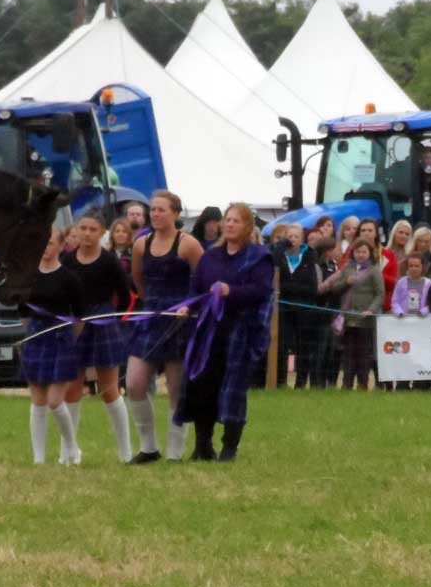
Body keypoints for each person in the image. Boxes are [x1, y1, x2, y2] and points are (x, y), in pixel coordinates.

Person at [176, 203, 274, 461]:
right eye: (227, 220)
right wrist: (188, 306)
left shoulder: (259, 257)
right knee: (201, 384)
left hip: (240, 331)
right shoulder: (210, 257)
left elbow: (262, 290)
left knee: (233, 388)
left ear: (247, 227)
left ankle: (229, 447)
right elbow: (196, 288)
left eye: (236, 221)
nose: (229, 224)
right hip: (208, 331)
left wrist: (232, 291)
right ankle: (203, 445)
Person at [126, 190, 203, 463]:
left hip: (179, 321)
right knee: (134, 383)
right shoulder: (140, 244)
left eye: (162, 210)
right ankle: (148, 448)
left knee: (175, 388)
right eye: (153, 210)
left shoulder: (189, 244)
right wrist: (152, 306)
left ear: (176, 214)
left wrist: (189, 306)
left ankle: (174, 452)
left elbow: (204, 282)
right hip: (150, 318)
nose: (156, 214)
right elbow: (138, 280)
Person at [62, 211, 133, 463]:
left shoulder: (109, 262)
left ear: (102, 233)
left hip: (104, 323)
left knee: (109, 389)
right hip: (75, 324)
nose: (87, 233)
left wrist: (111, 317)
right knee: (71, 389)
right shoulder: (67, 261)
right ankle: (69, 453)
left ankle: (125, 453)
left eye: (93, 229)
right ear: (77, 231)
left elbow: (125, 296)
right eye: (83, 228)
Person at [19, 228, 85, 465]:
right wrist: (32, 333)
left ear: (60, 246)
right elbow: (23, 313)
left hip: (61, 339)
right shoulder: (28, 276)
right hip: (36, 336)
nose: (44, 248)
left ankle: (72, 448)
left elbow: (79, 317)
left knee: (55, 400)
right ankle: (39, 459)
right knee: (37, 398)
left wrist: (68, 340)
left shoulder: (69, 278)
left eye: (48, 243)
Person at [321, 239, 383, 391]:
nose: (360, 255)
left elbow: (380, 294)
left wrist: (372, 310)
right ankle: (347, 384)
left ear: (369, 254)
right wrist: (346, 282)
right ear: (353, 253)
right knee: (347, 354)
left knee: (363, 355)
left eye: (364, 252)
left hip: (365, 321)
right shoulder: (347, 268)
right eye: (357, 251)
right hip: (347, 320)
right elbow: (335, 289)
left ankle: (363, 384)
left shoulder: (374, 271)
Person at [275, 224, 324, 389]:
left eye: (296, 236)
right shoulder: (279, 256)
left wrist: (290, 288)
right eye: (290, 236)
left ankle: (301, 382)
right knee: (282, 345)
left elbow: (312, 286)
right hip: (283, 309)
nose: (293, 239)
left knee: (304, 346)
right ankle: (280, 381)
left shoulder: (310, 255)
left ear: (302, 239)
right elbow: (276, 283)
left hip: (305, 309)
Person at [311, 234, 344, 388]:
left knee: (332, 351)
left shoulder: (335, 265)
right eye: (335, 249)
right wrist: (335, 278)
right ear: (326, 251)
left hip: (334, 312)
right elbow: (319, 289)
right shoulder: (317, 266)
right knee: (320, 350)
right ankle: (317, 383)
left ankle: (327, 382)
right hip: (321, 313)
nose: (338, 251)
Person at [361, 219, 397, 313]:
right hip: (359, 304)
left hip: (383, 305)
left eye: (370, 230)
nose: (366, 233)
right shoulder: (352, 252)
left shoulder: (388, 255)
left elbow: (393, 283)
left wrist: (376, 274)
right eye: (363, 230)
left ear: (376, 233)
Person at [108, 218, 137, 300]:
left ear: (129, 235)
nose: (120, 234)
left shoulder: (135, 254)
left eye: (124, 231)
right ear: (112, 234)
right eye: (117, 231)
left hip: (132, 298)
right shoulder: (106, 255)